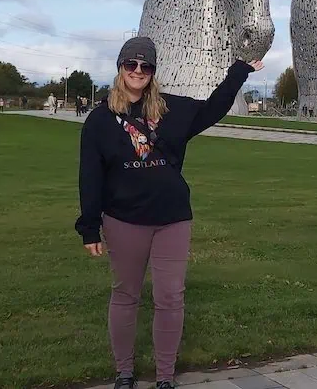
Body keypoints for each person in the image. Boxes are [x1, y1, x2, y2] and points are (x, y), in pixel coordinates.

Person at [75, 36, 263, 389]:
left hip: (172, 219)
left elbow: (212, 109)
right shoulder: (100, 120)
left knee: (170, 298)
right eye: (131, 65)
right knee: (126, 295)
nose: (138, 71)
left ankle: (164, 377)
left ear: (153, 72)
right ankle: (125, 373)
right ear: (121, 68)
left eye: (146, 66)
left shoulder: (171, 110)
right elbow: (90, 175)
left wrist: (238, 72)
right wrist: (89, 227)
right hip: (123, 219)